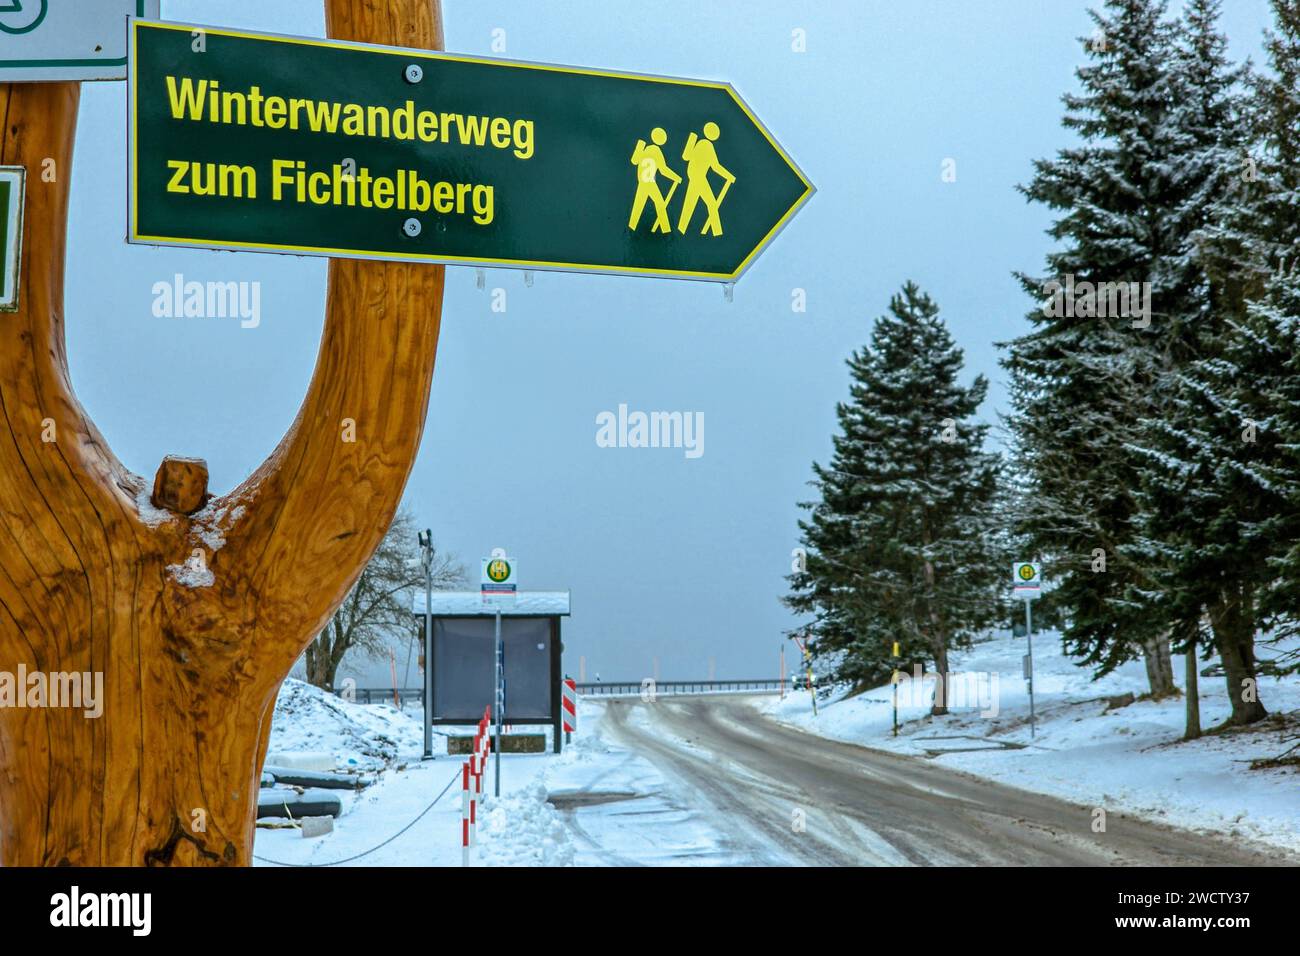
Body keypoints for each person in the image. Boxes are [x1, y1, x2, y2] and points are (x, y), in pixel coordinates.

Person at [677, 121, 735, 237]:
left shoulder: (700, 143)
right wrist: (729, 176)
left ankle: (681, 229)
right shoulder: (707, 146)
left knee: (689, 204)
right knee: (711, 204)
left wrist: (728, 176)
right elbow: (715, 166)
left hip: (694, 176)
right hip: (698, 177)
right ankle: (717, 232)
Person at [628, 127, 681, 233]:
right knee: (660, 204)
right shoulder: (656, 151)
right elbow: (663, 170)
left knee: (638, 206)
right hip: (650, 183)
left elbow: (634, 161)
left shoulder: (645, 149)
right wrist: (676, 177)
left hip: (642, 183)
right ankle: (666, 230)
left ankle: (632, 227)